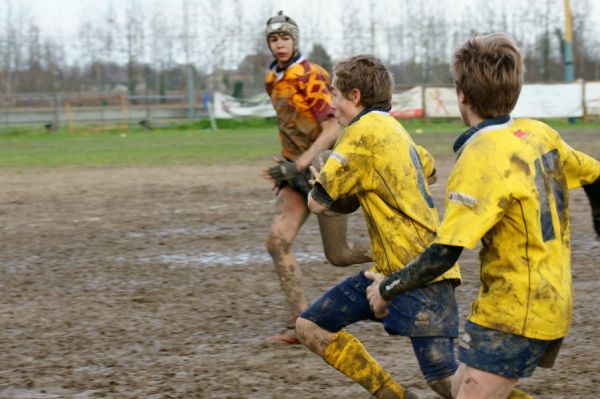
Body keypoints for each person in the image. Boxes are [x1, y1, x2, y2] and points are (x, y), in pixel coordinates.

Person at [366, 33, 600, 399]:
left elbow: (444, 254)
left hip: (515, 312)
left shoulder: (479, 156)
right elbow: (595, 175)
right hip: (541, 302)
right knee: (457, 386)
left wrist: (386, 289)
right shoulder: (539, 133)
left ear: (461, 96)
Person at [296, 54, 462, 399]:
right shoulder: (392, 128)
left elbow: (317, 204)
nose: (331, 103)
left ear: (354, 96)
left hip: (420, 274)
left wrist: (319, 175)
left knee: (448, 382)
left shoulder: (360, 133)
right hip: (386, 274)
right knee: (310, 326)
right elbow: (429, 171)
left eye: (335, 95)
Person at [260, 11, 371, 344]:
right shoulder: (271, 78)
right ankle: (300, 321)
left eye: (284, 38)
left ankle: (402, 257)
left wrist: (304, 160)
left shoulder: (312, 75)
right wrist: (287, 162)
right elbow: (291, 125)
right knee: (276, 242)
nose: (279, 44)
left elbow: (332, 126)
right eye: (273, 39)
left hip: (324, 169)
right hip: (295, 173)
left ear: (294, 39)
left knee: (338, 256)